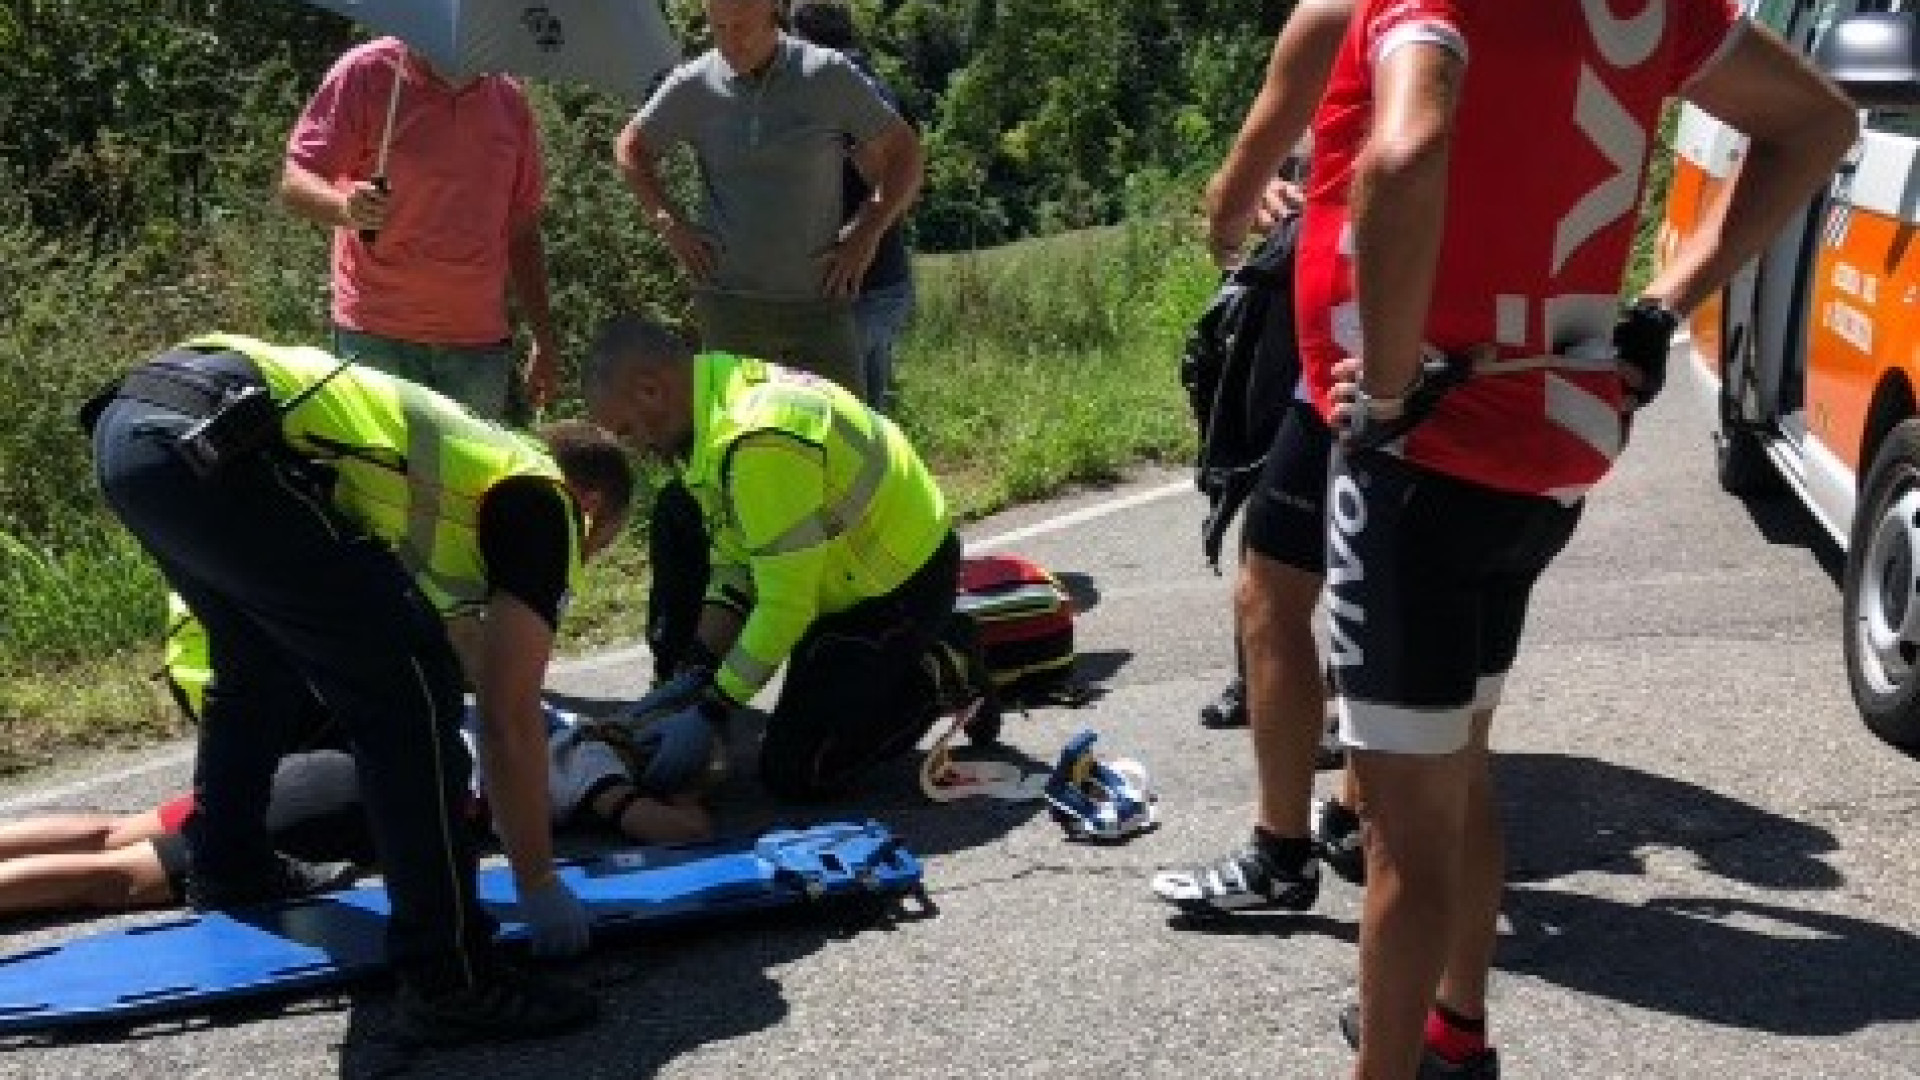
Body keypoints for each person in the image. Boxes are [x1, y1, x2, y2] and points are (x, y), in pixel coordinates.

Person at [1295, 4, 1856, 1076]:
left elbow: (1406, 155)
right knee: (1459, 762)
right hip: (1547, 444)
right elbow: (1817, 122)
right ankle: (1458, 1031)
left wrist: (1394, 387)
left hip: (1423, 457)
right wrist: (1662, 307)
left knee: (1402, 833)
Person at [84, 334, 638, 1046]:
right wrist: (538, 882)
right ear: (589, 504)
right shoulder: (544, 502)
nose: (579, 564)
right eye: (597, 547)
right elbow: (505, 716)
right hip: (215, 442)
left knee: (255, 663)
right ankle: (451, 976)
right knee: (411, 699)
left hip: (137, 432)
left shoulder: (469, 468)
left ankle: (229, 865)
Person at [1150, 0, 1368, 919]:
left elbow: (1225, 211)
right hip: (1464, 355)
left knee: (1274, 588)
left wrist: (1250, 199)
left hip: (1350, 350)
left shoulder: (1338, 13)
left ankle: (1283, 851)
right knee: (1393, 587)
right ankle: (1354, 812)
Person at [583, 314, 959, 802]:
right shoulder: (713, 399)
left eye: (627, 431)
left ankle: (944, 664)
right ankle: (690, 693)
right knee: (678, 511)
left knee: (798, 771)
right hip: (831, 573)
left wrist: (713, 709)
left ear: (651, 391)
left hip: (896, 590)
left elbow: (786, 605)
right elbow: (734, 563)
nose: (636, 448)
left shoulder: (758, 439)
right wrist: (696, 672)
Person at [0, 705, 710, 921]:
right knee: (121, 878)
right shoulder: (591, 758)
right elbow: (669, 830)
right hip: (342, 806)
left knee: (113, 829)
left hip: (319, 767)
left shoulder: (534, 706)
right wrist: (689, 805)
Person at [612, 0, 924, 399]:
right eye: (719, 28)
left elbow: (905, 152)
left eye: (742, 27)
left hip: (818, 306)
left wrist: (868, 230)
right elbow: (630, 148)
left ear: (774, 14)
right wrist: (669, 224)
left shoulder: (826, 75)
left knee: (843, 431)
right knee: (743, 433)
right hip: (730, 308)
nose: (730, 43)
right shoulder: (695, 84)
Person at [280, 37, 558, 421]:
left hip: (477, 345)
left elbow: (523, 229)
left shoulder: (509, 101)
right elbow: (296, 180)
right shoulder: (366, 72)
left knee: (468, 464)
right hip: (376, 332)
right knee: (377, 461)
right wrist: (345, 207)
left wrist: (543, 336)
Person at [788, 1, 919, 413]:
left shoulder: (843, 88)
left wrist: (861, 234)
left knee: (834, 419)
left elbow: (889, 177)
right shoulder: (872, 82)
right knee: (869, 421)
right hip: (881, 283)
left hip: (857, 291)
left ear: (802, 38)